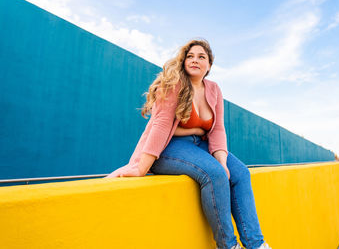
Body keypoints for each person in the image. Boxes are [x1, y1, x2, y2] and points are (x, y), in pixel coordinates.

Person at [106, 39, 272, 249]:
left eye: (201, 57)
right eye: (190, 56)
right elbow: (161, 126)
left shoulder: (213, 89)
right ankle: (228, 245)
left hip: (198, 147)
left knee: (240, 174)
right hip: (167, 147)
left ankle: (256, 244)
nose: (195, 60)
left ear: (209, 65)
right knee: (215, 175)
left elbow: (218, 129)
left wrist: (222, 161)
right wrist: (142, 168)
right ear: (184, 61)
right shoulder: (174, 84)